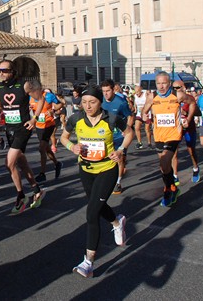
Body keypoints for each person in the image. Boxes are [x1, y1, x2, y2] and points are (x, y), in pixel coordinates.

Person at [60, 85, 132, 278]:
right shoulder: (76, 118)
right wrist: (71, 147)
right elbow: (63, 137)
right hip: (85, 169)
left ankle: (88, 262)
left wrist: (120, 150)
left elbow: (129, 133)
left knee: (91, 213)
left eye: (92, 102)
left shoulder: (111, 119)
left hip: (107, 169)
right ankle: (117, 223)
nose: (88, 106)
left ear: (100, 102)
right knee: (97, 207)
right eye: (84, 102)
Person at [0, 59, 46, 213]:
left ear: (13, 71)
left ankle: (21, 196)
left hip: (23, 127)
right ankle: (37, 190)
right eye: (0, 70)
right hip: (9, 128)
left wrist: (34, 119)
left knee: (9, 163)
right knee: (21, 162)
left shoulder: (25, 84)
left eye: (5, 70)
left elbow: (41, 99)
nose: (2, 73)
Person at [142, 74, 196, 207]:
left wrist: (188, 119)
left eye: (164, 83)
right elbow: (144, 110)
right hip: (159, 135)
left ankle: (167, 190)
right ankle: (172, 187)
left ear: (169, 83)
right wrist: (145, 116)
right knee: (163, 166)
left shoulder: (178, 95)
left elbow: (193, 102)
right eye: (158, 83)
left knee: (165, 161)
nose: (161, 86)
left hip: (173, 134)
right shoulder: (152, 96)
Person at [100, 79, 134, 195]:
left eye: (108, 91)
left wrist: (127, 129)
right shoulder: (100, 101)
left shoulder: (120, 102)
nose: (105, 94)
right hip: (105, 135)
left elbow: (130, 116)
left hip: (119, 135)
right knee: (106, 159)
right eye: (103, 91)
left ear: (113, 90)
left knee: (118, 159)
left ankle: (118, 182)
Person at [29, 83, 63, 182]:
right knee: (46, 149)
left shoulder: (49, 96)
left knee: (41, 148)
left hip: (49, 124)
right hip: (39, 126)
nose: (34, 93)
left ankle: (42, 173)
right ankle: (57, 164)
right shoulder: (30, 98)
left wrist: (53, 110)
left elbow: (60, 104)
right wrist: (32, 109)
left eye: (35, 90)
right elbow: (33, 108)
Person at [133, 85, 153, 150]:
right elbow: (135, 102)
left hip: (146, 114)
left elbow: (149, 102)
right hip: (139, 114)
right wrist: (135, 108)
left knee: (147, 129)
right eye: (135, 92)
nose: (137, 93)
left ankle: (149, 143)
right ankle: (139, 143)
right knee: (136, 127)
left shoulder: (145, 95)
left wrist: (144, 109)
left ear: (141, 90)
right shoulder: (135, 96)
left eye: (138, 92)